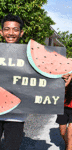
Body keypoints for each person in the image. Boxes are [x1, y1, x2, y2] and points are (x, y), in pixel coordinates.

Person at [0, 14, 27, 150]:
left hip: (17, 116)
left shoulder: (29, 56)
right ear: (1, 32)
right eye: (7, 29)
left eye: (15, 29)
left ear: (21, 33)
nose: (11, 33)